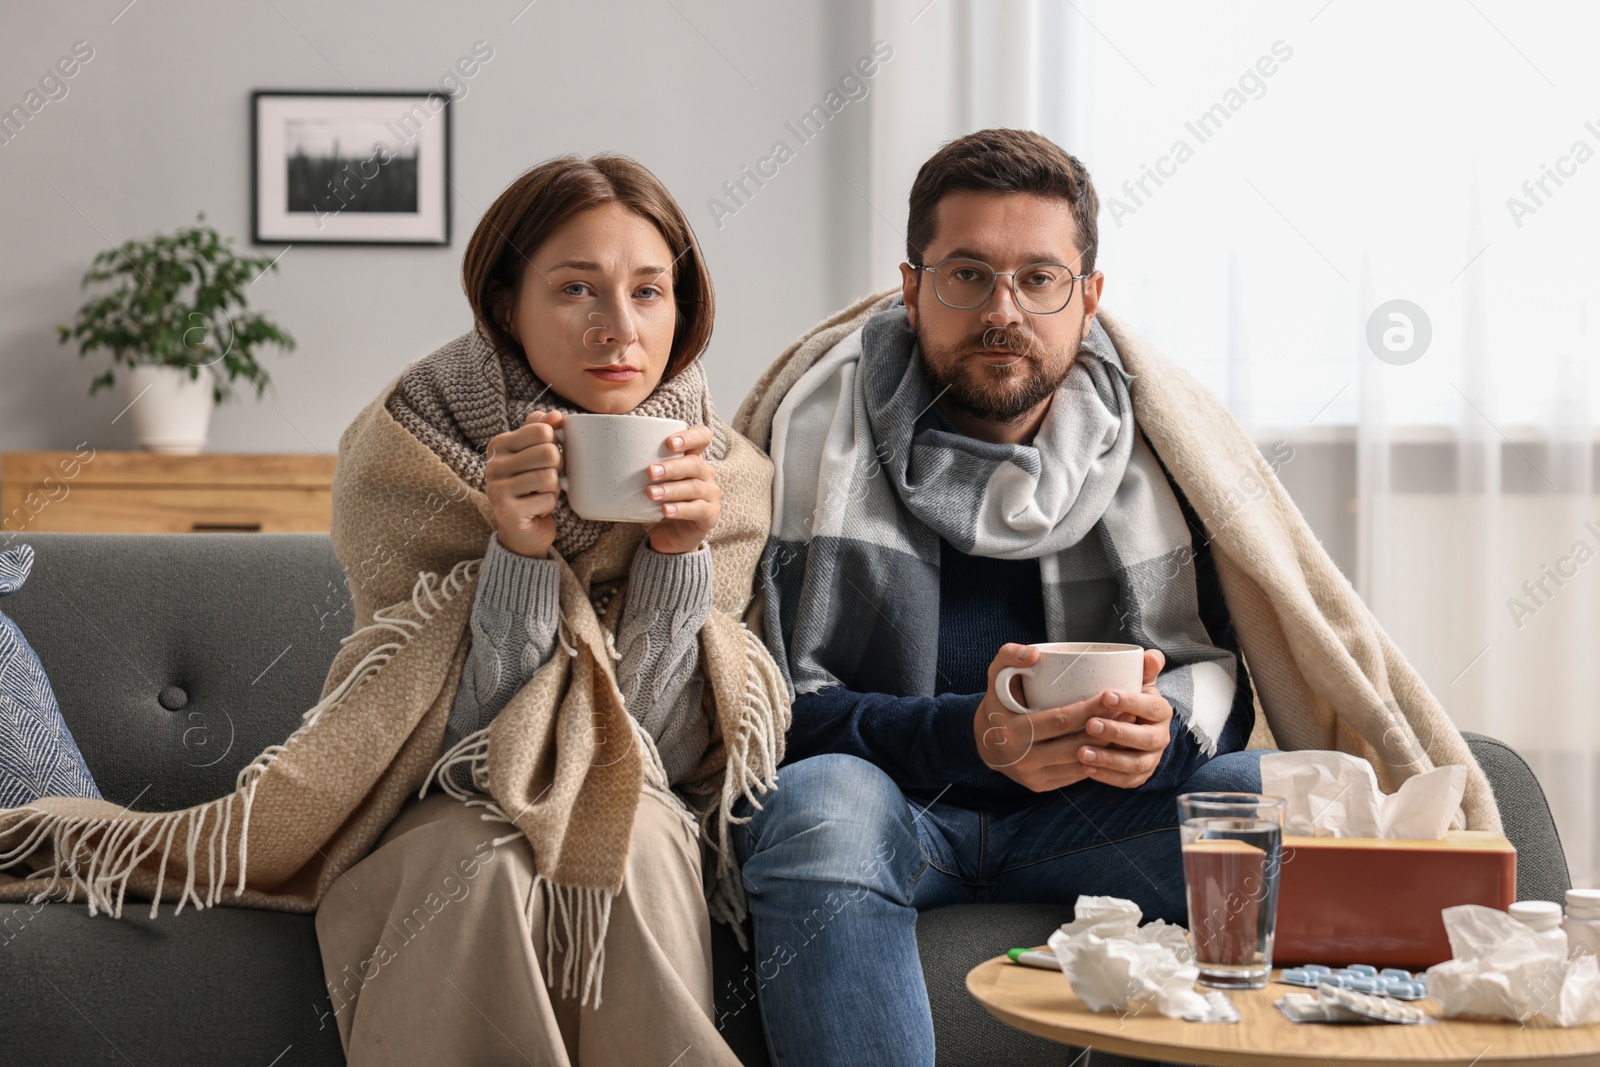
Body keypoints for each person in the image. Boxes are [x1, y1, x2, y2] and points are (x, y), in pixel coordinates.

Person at [731, 128, 1271, 1065]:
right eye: (967, 275)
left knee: (1263, 801)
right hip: (898, 810)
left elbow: (1219, 679)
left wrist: (1164, 740)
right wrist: (968, 737)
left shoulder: (1161, 451)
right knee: (818, 804)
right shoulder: (810, 435)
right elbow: (762, 711)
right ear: (913, 288)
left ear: (1088, 298)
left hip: (1090, 817)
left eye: (1039, 278)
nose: (1003, 310)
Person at [313, 153, 787, 1067]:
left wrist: (675, 560)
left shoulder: (726, 477)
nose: (619, 330)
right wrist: (517, 558)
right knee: (481, 868)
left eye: (649, 292)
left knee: (629, 843)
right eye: (578, 289)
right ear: (504, 305)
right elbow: (437, 747)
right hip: (438, 801)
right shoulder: (402, 456)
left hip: (639, 796)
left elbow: (670, 753)